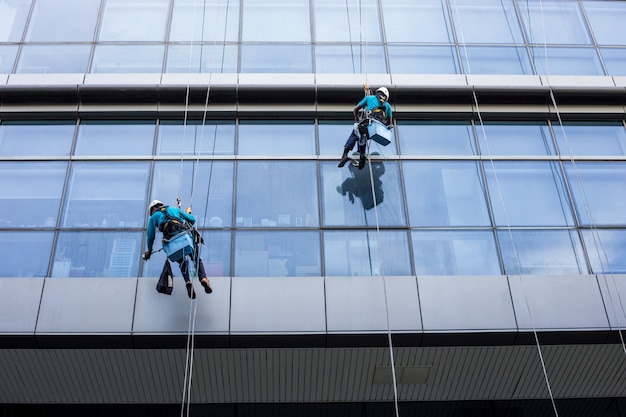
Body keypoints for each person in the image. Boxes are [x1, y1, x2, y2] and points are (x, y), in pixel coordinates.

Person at [143, 199, 212, 299]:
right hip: (184, 236)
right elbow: (192, 220)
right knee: (196, 258)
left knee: (182, 262)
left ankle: (188, 281)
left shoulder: (154, 216)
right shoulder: (173, 209)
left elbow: (150, 236)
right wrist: (185, 213)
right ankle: (203, 279)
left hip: (171, 241)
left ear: (153, 208)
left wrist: (149, 251)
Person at [338, 86, 393, 169]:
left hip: (367, 123)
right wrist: (382, 126)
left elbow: (355, 109)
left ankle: (345, 154)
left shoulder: (369, 98)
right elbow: (390, 122)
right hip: (375, 128)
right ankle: (362, 155)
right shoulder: (388, 106)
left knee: (356, 132)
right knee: (362, 134)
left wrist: (357, 119)